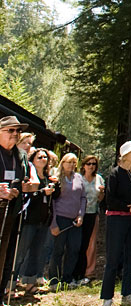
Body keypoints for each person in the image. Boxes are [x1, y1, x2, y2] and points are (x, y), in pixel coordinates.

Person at [100, 141, 131, 306]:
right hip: (117, 219)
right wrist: (129, 208)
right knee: (113, 258)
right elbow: (110, 199)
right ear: (124, 155)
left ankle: (128, 293)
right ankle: (107, 297)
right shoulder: (115, 174)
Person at [14, 148, 58, 294]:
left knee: (36, 252)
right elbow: (27, 197)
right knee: (20, 253)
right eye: (39, 157)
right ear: (32, 160)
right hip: (29, 219)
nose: (43, 159)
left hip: (43, 220)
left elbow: (55, 196)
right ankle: (11, 283)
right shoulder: (30, 177)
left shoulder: (47, 177)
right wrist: (42, 192)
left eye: (45, 157)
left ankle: (30, 282)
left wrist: (54, 187)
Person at [47, 153, 86, 290]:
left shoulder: (79, 178)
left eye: (74, 162)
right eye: (68, 162)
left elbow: (83, 198)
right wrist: (54, 223)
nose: (71, 165)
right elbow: (52, 202)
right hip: (60, 218)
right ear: (62, 163)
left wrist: (81, 215)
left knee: (74, 249)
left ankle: (67, 279)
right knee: (58, 250)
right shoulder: (57, 178)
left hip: (75, 220)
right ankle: (53, 280)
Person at [0, 116, 28, 300]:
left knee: (4, 255)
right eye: (10, 130)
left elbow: (24, 178)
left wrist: (24, 186)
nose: (15, 134)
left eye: (17, 131)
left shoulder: (21, 155)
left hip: (10, 211)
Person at [72, 155, 104, 285]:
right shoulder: (78, 178)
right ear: (83, 165)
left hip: (92, 213)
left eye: (94, 164)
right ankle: (73, 272)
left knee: (89, 244)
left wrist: (102, 193)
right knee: (76, 244)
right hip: (78, 214)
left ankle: (87, 272)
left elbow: (100, 199)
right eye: (89, 163)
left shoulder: (99, 179)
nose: (91, 166)